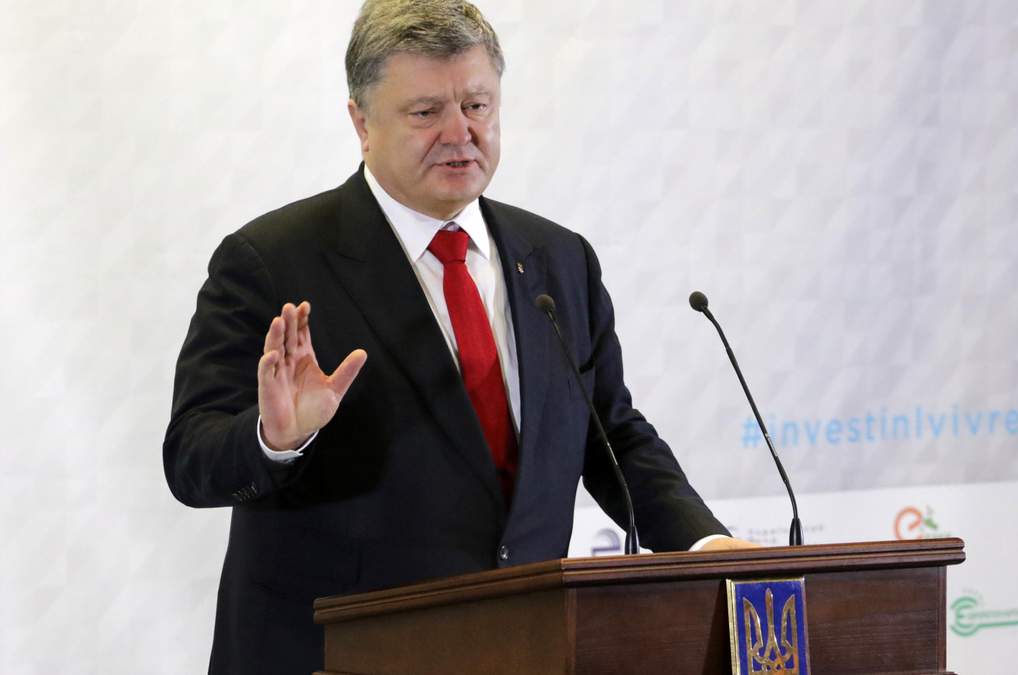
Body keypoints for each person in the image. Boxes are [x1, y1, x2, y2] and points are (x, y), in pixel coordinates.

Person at [163, 1, 751, 672]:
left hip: (524, 647)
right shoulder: (271, 260)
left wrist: (706, 547)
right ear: (361, 122)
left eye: (477, 105)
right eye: (425, 112)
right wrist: (276, 438)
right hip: (338, 655)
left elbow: (610, 435)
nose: (459, 133)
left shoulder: (559, 259)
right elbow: (190, 457)